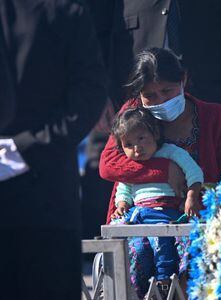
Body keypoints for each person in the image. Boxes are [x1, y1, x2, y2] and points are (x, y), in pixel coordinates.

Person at [99, 47, 221, 298]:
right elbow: (108, 165)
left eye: (167, 91)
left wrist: (195, 192)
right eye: (149, 95)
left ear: (184, 80)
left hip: (199, 228)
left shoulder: (214, 117)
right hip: (139, 223)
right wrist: (165, 170)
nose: (160, 101)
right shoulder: (132, 114)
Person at [0, 1, 107, 299]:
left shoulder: (64, 12)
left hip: (46, 199)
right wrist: (29, 146)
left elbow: (89, 92)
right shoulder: (65, 10)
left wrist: (22, 149)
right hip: (48, 188)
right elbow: (89, 94)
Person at [110, 106, 203, 295]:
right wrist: (122, 204)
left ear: (155, 134)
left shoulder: (172, 152)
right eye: (128, 144)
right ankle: (143, 287)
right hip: (137, 216)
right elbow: (124, 188)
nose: (137, 148)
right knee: (139, 249)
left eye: (141, 138)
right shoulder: (131, 165)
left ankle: (164, 284)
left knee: (163, 245)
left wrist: (192, 197)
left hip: (165, 213)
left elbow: (194, 173)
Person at [87, 0, 221, 113]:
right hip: (135, 57)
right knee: (137, 149)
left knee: (214, 145)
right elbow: (98, 20)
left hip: (209, 58)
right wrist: (100, 90)